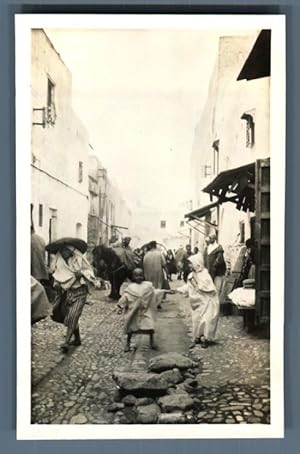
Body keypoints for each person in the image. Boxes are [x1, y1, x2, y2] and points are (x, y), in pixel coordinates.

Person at [51, 245, 100, 353]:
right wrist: (56, 285)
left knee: (73, 315)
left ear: (71, 251)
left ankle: (66, 342)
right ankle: (77, 339)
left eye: (66, 250)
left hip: (80, 292)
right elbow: (57, 276)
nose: (64, 252)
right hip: (67, 293)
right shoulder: (60, 263)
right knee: (69, 315)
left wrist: (81, 274)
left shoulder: (78, 260)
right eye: (62, 250)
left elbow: (89, 272)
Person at [117, 268, 168, 352]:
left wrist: (164, 291)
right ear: (133, 277)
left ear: (143, 276)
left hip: (145, 311)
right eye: (136, 276)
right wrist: (121, 304)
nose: (139, 277)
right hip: (134, 311)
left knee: (150, 326)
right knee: (130, 328)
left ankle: (152, 342)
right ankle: (127, 343)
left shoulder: (147, 286)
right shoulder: (130, 288)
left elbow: (154, 292)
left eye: (140, 275)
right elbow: (125, 297)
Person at [176, 254, 219, 349]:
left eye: (191, 264)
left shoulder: (205, 274)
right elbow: (188, 286)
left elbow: (208, 288)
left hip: (207, 302)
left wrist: (196, 284)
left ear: (197, 264)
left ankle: (205, 339)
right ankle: (198, 337)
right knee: (196, 320)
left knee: (205, 320)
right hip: (197, 302)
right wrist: (179, 290)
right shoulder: (191, 275)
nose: (190, 266)